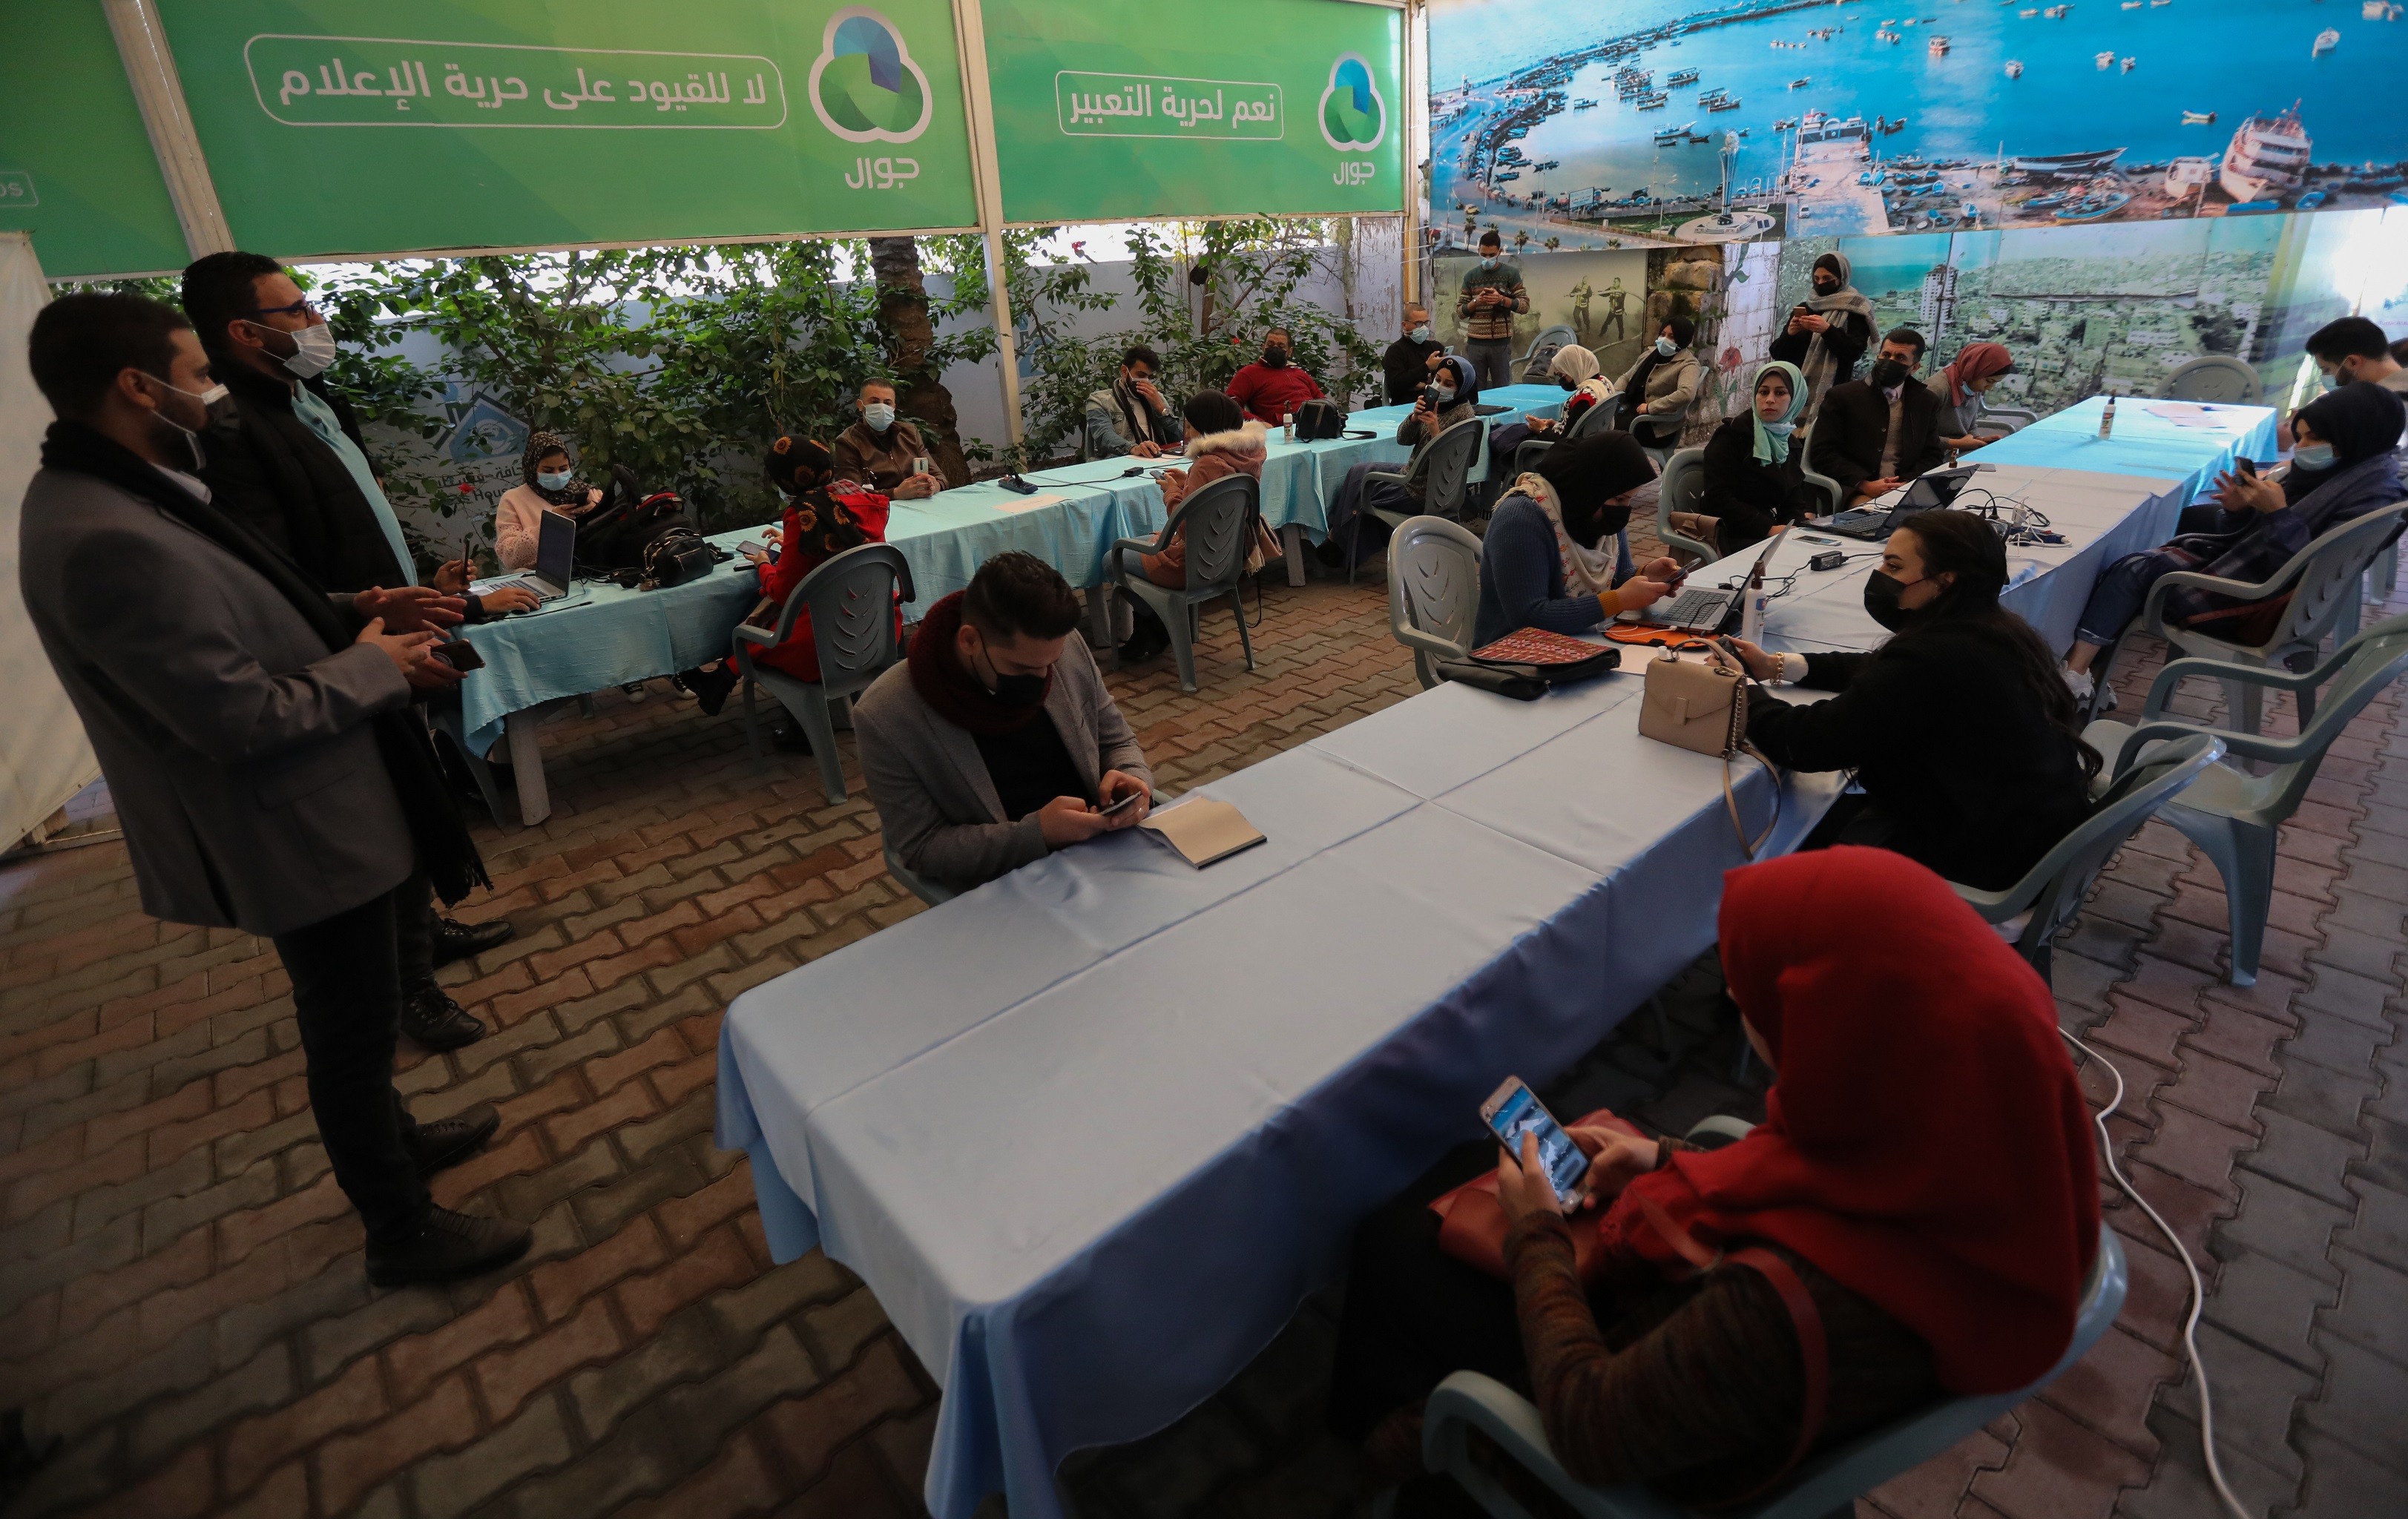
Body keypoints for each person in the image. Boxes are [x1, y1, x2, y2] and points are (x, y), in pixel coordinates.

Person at [1330, 846, 2099, 1510]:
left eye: (1761, 990)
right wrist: (1665, 1158)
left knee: (1395, 1238)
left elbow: (1587, 1426)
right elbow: (1808, 1174)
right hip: (1726, 1387)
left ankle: (1392, 1456)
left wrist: (1536, 1233)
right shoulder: (1958, 1145)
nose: (1735, 997)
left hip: (1621, 1439)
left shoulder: (1776, 1311)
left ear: (1837, 1030)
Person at [19, 292, 528, 1285]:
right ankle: (400, 1228)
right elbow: (236, 716)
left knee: (365, 1012)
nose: (212, 392)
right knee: (349, 1032)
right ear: (137, 387)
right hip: (294, 827)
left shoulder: (127, 491)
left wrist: (357, 606)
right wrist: (375, 664)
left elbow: (235, 608)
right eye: (196, 371)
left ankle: (397, 1144)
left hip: (327, 806)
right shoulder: (101, 535)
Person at [183, 250, 518, 1051]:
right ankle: (410, 991)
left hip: (383, 629)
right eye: (297, 310)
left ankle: (422, 934)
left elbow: (358, 520)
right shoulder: (235, 433)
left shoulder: (312, 401)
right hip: (343, 654)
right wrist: (362, 641)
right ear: (245, 331)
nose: (316, 320)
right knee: (380, 815)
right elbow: (276, 574)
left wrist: (420, 586)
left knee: (410, 792)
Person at [1721, 510, 2098, 890]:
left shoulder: (1931, 659)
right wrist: (1778, 665)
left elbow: (1804, 744)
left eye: (1894, 566)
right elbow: (1880, 671)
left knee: (1784, 847)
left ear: (1943, 582)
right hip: (2027, 831)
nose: (1880, 575)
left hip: (1981, 858)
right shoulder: (1994, 630)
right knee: (1823, 808)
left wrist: (1740, 689)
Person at [2058, 382, 2408, 704]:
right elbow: (2256, 536)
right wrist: (2239, 511)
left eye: (2313, 438)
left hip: (2267, 603)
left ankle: (2073, 675)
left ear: (2354, 435)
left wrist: (2276, 514)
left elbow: (2302, 567)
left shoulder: (2373, 497)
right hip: (2268, 582)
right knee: (2139, 561)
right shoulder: (2357, 471)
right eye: (2300, 437)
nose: (2300, 448)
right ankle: (2084, 674)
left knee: (2129, 571)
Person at [855, 552, 1154, 894]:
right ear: (970, 641)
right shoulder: (886, 715)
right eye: (1023, 669)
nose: (1045, 678)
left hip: (1111, 854)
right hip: (1011, 886)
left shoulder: (1060, 645)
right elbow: (923, 847)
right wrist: (1036, 834)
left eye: (1052, 663)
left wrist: (1132, 780)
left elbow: (1117, 741)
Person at [725, 436, 901, 748]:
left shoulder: (803, 514)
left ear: (785, 479)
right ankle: (720, 679)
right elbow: (845, 544)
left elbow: (782, 591)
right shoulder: (862, 498)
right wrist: (794, 542)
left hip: (825, 646)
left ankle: (801, 734)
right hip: (878, 631)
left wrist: (763, 563)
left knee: (759, 625)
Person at [1473, 433, 1682, 647]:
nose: (1624, 509)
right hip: (1512, 652)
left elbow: (1615, 578)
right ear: (1591, 488)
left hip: (1583, 642)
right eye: (1619, 498)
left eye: (1629, 500)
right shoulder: (1521, 518)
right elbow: (1530, 618)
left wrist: (1646, 575)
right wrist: (1619, 600)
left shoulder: (1595, 513)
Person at [1119, 392, 1280, 665]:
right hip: (1226, 560)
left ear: (1207, 427)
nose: (1188, 433)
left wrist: (1171, 492)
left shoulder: (1207, 463)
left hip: (1193, 564)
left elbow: (1185, 528)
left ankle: (1159, 623)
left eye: (1191, 426)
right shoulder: (1248, 455)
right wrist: (1187, 482)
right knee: (1141, 542)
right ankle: (1154, 628)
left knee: (1112, 558)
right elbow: (1213, 498)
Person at [1323, 356, 1484, 572]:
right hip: (1412, 473)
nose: (1439, 386)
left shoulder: (1463, 416)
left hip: (1421, 490)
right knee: (1357, 471)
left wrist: (1436, 431)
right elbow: (1403, 439)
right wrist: (1414, 419)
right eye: (1437, 379)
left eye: (1448, 384)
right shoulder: (1434, 405)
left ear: (1461, 388)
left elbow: (1449, 465)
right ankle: (1338, 539)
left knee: (1360, 490)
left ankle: (1338, 546)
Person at [1673, 360, 1819, 557]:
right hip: (1730, 534)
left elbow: (1792, 501)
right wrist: (1768, 529)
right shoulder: (1732, 436)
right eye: (1763, 392)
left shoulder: (1787, 443)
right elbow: (1718, 499)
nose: (1770, 400)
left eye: (1780, 393)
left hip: (1767, 533)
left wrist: (1798, 530)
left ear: (1796, 400)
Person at [1810, 327, 1947, 506]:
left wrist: (1906, 483)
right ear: (1878, 356)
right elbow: (1823, 453)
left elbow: (1932, 455)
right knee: (1874, 515)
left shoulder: (1926, 401)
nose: (1890, 361)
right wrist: (1864, 483)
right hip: (1853, 487)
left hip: (1905, 487)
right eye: (1886, 355)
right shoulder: (1843, 396)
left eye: (1900, 358)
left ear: (1914, 367)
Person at [1768, 251, 1877, 421]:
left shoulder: (1855, 309)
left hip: (1834, 391)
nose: (1820, 283)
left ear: (1842, 278)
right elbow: (1779, 354)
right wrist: (1790, 334)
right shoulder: (1806, 307)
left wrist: (1827, 330)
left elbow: (1854, 352)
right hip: (1796, 390)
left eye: (1827, 278)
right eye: (1816, 278)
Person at [495, 430, 605, 570]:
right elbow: (509, 554)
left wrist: (597, 511)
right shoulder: (513, 500)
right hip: (543, 578)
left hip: (593, 571)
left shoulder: (588, 493)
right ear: (532, 468)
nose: (557, 475)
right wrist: (550, 524)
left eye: (563, 469)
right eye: (548, 471)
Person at [831, 379, 944, 499]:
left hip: (919, 504)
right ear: (860, 405)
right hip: (880, 507)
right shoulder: (847, 442)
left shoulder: (910, 433)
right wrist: (895, 493)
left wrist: (934, 486)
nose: (882, 407)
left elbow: (940, 478)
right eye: (875, 402)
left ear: (894, 407)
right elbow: (852, 495)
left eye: (887, 403)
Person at [1605, 317, 1702, 451]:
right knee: (1600, 422)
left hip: (1655, 426)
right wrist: (1611, 398)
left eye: (1671, 337)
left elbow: (1686, 393)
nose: (1664, 339)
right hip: (1630, 410)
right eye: (1663, 334)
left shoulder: (1688, 364)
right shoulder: (1650, 355)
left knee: (1609, 434)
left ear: (1683, 339)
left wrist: (1651, 407)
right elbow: (1626, 377)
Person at [1456, 231, 1530, 390]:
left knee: (1502, 388)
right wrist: (1476, 302)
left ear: (1499, 252)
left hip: (1500, 343)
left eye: (1492, 255)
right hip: (1475, 343)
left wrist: (1502, 300)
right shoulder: (1471, 276)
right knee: (1475, 388)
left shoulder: (1510, 274)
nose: (1487, 259)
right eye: (1483, 255)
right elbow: (1461, 312)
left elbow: (1524, 306)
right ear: (1478, 251)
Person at [1085, 344, 1182, 460]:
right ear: (1124, 371)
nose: (1146, 381)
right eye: (1141, 375)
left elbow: (1179, 438)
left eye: (1150, 377)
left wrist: (1161, 409)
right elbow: (1104, 436)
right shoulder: (1099, 400)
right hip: (1120, 462)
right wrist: (1133, 448)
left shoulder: (1156, 397)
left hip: (1158, 459)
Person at [1226, 326, 1326, 429]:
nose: (1275, 349)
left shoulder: (1300, 373)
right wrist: (1258, 423)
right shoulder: (1249, 373)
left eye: (1281, 346)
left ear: (1290, 351)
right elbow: (1229, 404)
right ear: (1263, 347)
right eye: (1270, 345)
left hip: (1314, 428)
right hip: (1281, 430)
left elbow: (1322, 401)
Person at [1929, 342, 2017, 455]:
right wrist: (1957, 444)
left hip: (1952, 453)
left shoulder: (1971, 386)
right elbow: (1915, 436)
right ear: (1975, 370)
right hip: (1928, 458)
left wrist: (1978, 439)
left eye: (1995, 383)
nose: (1989, 388)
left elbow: (1971, 425)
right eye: (1989, 381)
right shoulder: (1936, 389)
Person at [1383, 306, 1447, 405]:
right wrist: (1427, 367)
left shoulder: (1435, 347)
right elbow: (1396, 385)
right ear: (1404, 325)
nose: (1424, 328)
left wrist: (1422, 384)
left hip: (1437, 403)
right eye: (1418, 324)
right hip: (1406, 405)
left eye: (1426, 323)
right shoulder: (1395, 351)